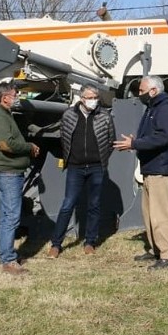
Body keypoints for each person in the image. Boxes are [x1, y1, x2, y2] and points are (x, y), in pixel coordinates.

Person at [113, 75, 168, 270]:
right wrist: (138, 140)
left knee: (161, 214)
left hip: (161, 168)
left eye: (141, 91)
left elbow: (163, 138)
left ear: (154, 90)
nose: (138, 94)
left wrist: (135, 143)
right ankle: (155, 250)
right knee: (149, 213)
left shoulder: (165, 108)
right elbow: (153, 136)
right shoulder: (153, 108)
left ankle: (167, 257)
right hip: (151, 168)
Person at [47, 83, 116, 258]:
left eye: (95, 98)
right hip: (75, 168)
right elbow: (64, 138)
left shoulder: (104, 116)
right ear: (82, 98)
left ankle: (90, 242)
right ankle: (56, 244)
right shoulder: (69, 115)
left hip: (96, 167)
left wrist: (102, 158)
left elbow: (110, 140)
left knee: (94, 205)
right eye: (90, 97)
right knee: (68, 204)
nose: (93, 101)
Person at [0, 81, 39, 275]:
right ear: (5, 97)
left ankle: (5, 255)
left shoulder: (2, 114)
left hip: (7, 171)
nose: (16, 97)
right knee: (11, 217)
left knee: (5, 216)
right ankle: (8, 261)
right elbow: (6, 145)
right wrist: (29, 147)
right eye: (14, 94)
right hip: (8, 172)